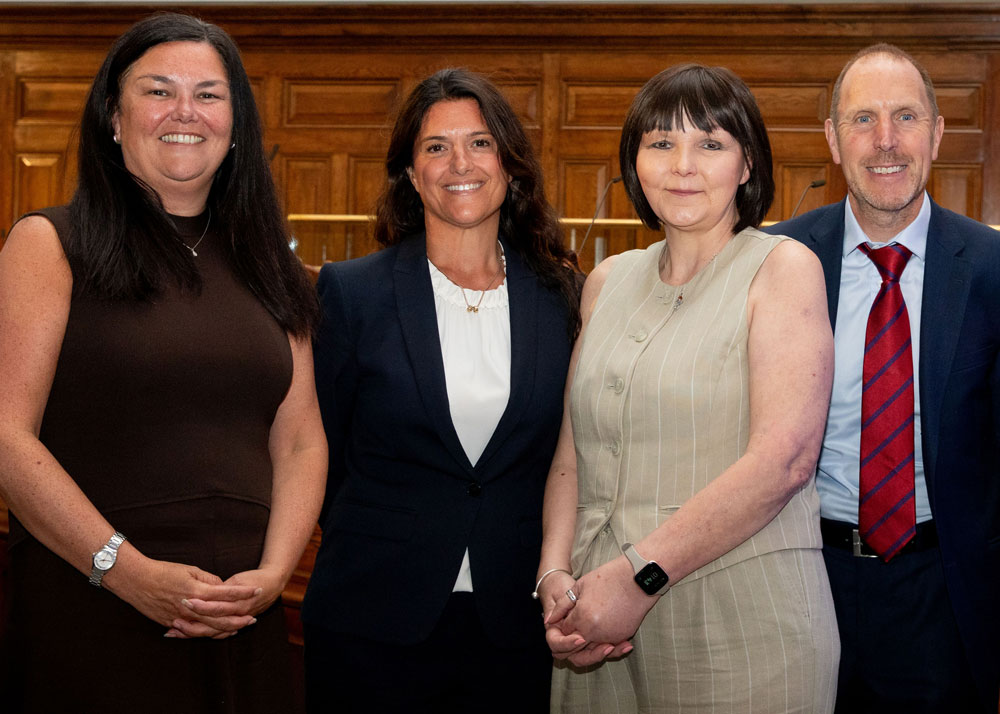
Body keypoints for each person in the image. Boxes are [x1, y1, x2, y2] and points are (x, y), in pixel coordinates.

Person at [0, 13, 326, 714]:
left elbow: (300, 439)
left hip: (241, 611)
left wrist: (271, 576)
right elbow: (6, 435)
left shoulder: (275, 269)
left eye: (209, 94)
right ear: (113, 119)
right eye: (158, 91)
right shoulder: (47, 245)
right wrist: (122, 569)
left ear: (236, 125)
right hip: (92, 599)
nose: (185, 112)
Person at [537, 63, 840, 712]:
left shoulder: (781, 268)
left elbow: (784, 461)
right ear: (634, 162)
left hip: (739, 615)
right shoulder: (607, 281)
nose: (683, 164)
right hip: (594, 618)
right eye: (660, 143)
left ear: (748, 165)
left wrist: (638, 577)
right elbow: (572, 456)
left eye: (710, 143)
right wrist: (554, 575)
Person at [301, 68, 580, 714]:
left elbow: (566, 453)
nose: (460, 162)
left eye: (480, 143)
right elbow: (323, 454)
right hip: (372, 620)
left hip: (514, 625)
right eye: (436, 147)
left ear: (510, 166)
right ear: (409, 172)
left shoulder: (562, 295)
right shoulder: (352, 292)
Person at [764, 43, 1000, 713]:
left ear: (937, 133)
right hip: (803, 576)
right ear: (834, 141)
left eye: (905, 117)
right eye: (863, 120)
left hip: (944, 593)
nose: (886, 140)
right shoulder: (777, 261)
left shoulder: (990, 269)